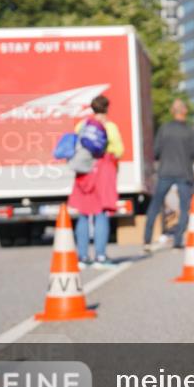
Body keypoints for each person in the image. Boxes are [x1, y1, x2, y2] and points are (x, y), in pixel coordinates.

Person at [68, 95, 123, 269]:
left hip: (84, 172)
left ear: (92, 108)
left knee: (83, 214)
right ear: (107, 108)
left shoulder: (82, 126)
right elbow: (119, 150)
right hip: (103, 171)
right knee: (101, 213)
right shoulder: (110, 127)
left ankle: (82, 257)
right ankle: (100, 256)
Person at [143, 99, 194, 252]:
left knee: (155, 205)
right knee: (184, 207)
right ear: (184, 111)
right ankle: (178, 240)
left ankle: (147, 239)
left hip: (165, 171)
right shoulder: (188, 130)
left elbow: (156, 151)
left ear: (172, 112)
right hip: (184, 172)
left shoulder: (164, 129)